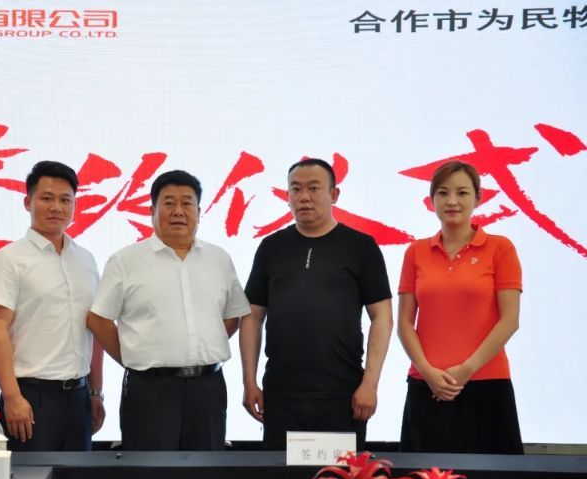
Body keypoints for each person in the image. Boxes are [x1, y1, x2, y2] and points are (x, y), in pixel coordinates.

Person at [87, 170, 250, 451]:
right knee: (150, 473)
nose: (178, 211)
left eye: (187, 203)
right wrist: (133, 356)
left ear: (199, 212)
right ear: (152, 210)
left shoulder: (219, 259)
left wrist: (200, 343)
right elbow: (98, 319)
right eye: (169, 203)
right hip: (149, 390)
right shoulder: (126, 260)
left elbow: (233, 315)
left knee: (206, 470)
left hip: (208, 388)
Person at [240, 158, 392, 451]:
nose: (304, 197)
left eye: (314, 188)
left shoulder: (361, 246)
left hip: (343, 394)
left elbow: (382, 317)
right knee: (280, 477)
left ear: (334, 194)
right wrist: (249, 382)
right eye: (295, 189)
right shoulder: (272, 247)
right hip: (281, 395)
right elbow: (252, 316)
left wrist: (370, 384)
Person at [398, 160, 523, 454]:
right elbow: (404, 323)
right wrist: (427, 372)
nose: (452, 201)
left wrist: (467, 369)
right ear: (432, 200)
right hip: (427, 386)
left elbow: (510, 320)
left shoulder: (500, 248)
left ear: (478, 198)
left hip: (487, 383)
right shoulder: (416, 252)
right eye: (443, 193)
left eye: (462, 193)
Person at [0, 161, 105, 451]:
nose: (56, 207)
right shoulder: (8, 260)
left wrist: (95, 392)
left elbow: (95, 329)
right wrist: (12, 396)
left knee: (78, 478)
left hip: (79, 396)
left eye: (65, 200)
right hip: (31, 397)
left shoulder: (85, 260)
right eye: (47, 198)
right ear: (28, 202)